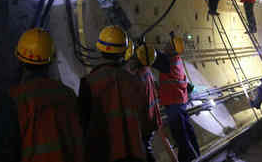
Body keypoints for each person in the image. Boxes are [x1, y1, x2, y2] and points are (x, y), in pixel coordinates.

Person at [0, 28, 85, 162]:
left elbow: (0, 154)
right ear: (51, 60)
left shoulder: (14, 100)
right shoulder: (69, 95)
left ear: (20, 60)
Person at [79, 26, 146, 161]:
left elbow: (83, 124)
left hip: (103, 154)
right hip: (134, 153)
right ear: (124, 51)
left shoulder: (89, 82)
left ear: (100, 49)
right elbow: (143, 120)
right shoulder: (135, 81)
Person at [152, 34, 200, 162]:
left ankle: (188, 159)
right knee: (188, 132)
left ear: (172, 50)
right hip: (180, 101)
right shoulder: (177, 60)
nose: (165, 45)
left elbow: (151, 55)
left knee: (180, 136)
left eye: (169, 44)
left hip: (173, 104)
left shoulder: (167, 62)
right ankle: (197, 156)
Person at [130, 43, 163, 162]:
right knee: (146, 148)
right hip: (152, 118)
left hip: (145, 122)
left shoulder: (137, 77)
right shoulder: (147, 70)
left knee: (144, 151)